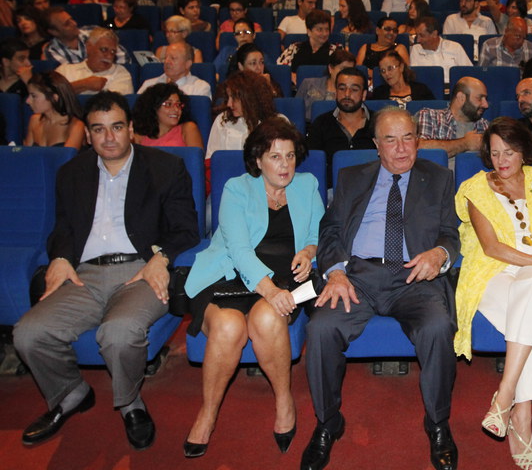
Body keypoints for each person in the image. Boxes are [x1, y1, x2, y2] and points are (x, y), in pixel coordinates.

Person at [13, 91, 199, 449]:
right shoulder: (72, 173)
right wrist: (61, 258)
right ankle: (70, 394)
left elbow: (187, 229)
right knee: (28, 333)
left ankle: (130, 403)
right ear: (88, 135)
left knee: (118, 332)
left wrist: (161, 259)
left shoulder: (164, 167)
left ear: (131, 129)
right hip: (84, 274)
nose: (108, 138)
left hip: (141, 271)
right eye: (98, 130)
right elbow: (63, 228)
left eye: (116, 127)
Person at [301, 108, 459, 470]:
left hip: (414, 278)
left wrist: (439, 253)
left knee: (437, 328)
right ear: (376, 145)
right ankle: (328, 422)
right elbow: (330, 230)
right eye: (390, 139)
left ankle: (437, 422)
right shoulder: (350, 178)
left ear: (418, 141)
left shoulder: (438, 178)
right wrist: (336, 272)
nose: (401, 149)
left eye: (408, 138)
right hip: (357, 276)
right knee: (321, 328)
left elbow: (451, 233)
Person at [183, 118, 324, 458]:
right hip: (229, 275)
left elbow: (319, 234)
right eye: (275, 157)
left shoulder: (307, 185)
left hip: (284, 279)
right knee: (229, 326)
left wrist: (308, 252)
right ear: (258, 159)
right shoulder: (237, 188)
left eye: (290, 156)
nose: (285, 165)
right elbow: (239, 250)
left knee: (265, 319)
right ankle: (208, 412)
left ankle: (283, 400)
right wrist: (270, 291)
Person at [454, 118, 532, 470]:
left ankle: (506, 397)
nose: (501, 160)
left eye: (509, 151)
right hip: (493, 273)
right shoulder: (475, 188)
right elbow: (492, 248)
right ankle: (521, 413)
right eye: (494, 153)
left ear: (524, 150)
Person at [306, 66, 377, 181]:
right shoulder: (321, 123)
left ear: (364, 95)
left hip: (373, 190)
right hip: (332, 191)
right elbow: (313, 165)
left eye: (354, 89)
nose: (347, 94)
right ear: (336, 92)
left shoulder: (378, 122)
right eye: (342, 88)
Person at [207, 70, 280, 160]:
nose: (229, 104)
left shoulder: (277, 123)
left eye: (234, 98)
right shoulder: (222, 120)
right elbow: (211, 161)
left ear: (250, 98)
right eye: (228, 97)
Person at [417, 76, 490, 159]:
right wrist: (465, 143)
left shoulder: (485, 125)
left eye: (485, 99)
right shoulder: (430, 116)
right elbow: (420, 149)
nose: (486, 105)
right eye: (480, 98)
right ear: (461, 98)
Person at [57, 27, 133, 95]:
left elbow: (113, 105)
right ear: (88, 47)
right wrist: (84, 84)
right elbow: (50, 97)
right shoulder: (65, 70)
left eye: (113, 52)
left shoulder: (120, 73)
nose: (109, 56)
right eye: (104, 50)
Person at [24, 71, 86, 149]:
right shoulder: (35, 120)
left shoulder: (76, 126)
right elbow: (26, 155)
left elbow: (68, 159)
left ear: (54, 98)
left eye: (34, 96)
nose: (28, 101)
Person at [131, 83, 203, 149]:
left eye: (178, 105)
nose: (176, 109)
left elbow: (196, 161)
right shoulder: (140, 136)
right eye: (168, 104)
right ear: (154, 107)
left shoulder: (188, 128)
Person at [138, 40, 212, 98]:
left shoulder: (200, 88)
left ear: (187, 64)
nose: (167, 61)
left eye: (173, 58)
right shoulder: (149, 85)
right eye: (165, 58)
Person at [410, 16, 472, 85]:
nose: (418, 40)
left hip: (453, 89)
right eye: (417, 35)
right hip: (427, 89)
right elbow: (414, 78)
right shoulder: (416, 49)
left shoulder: (455, 47)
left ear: (434, 34)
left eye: (422, 35)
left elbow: (469, 73)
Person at [297, 48, 356, 114]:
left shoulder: (351, 94)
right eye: (343, 69)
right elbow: (295, 110)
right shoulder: (308, 84)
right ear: (330, 68)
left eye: (350, 70)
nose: (347, 74)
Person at [370, 50, 435, 105]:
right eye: (383, 71)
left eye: (390, 68)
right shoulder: (378, 94)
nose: (386, 74)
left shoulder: (421, 90)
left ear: (401, 67)